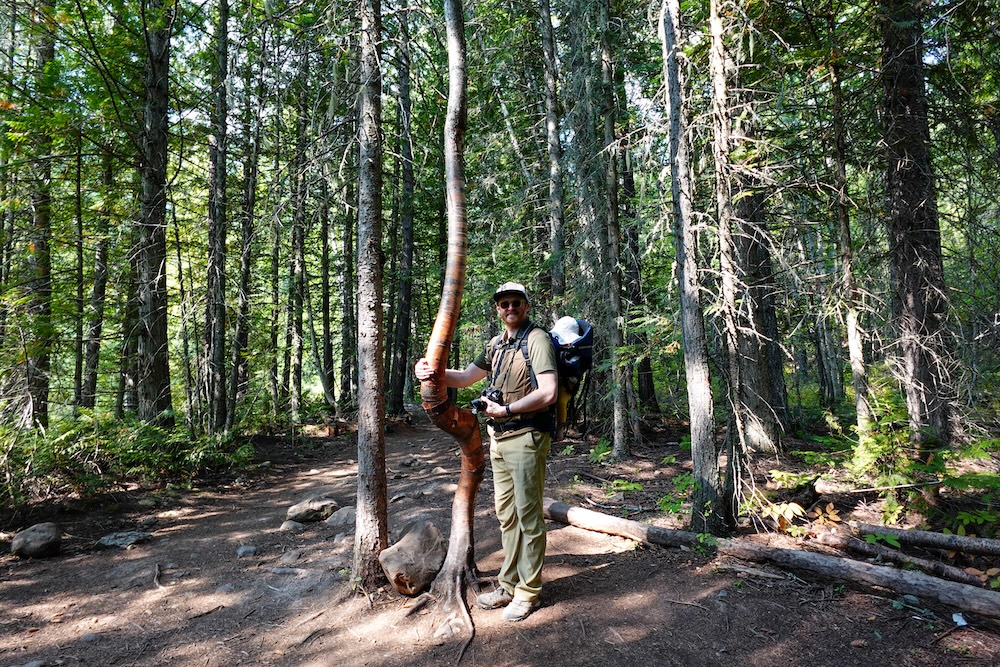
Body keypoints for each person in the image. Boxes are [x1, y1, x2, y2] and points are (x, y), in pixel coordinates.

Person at [414, 281, 557, 622]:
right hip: (500, 439)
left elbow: (549, 392)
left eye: (516, 303)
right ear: (498, 308)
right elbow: (464, 378)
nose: (510, 308)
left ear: (526, 305)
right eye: (504, 303)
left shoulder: (536, 340)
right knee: (507, 515)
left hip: (526, 436)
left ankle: (529, 592)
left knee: (529, 516)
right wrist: (431, 372)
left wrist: (506, 411)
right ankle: (509, 584)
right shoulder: (496, 345)